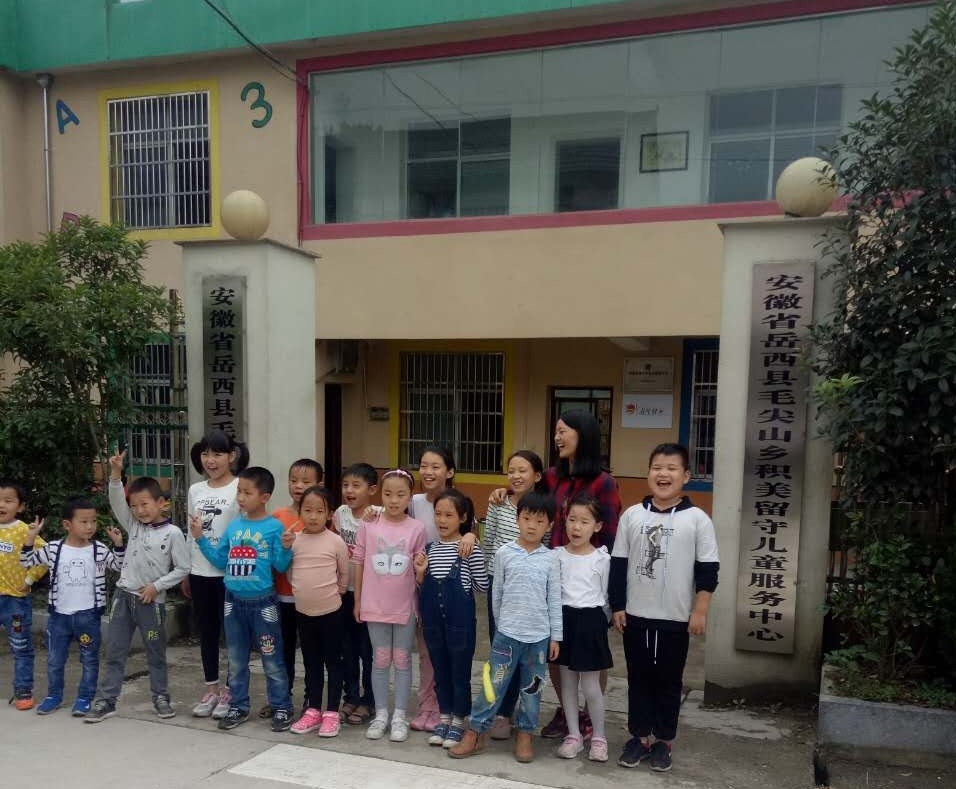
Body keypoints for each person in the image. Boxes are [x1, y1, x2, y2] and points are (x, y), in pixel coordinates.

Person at [491, 411, 622, 740]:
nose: (557, 438)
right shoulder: (552, 476)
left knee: (590, 657)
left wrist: (605, 590)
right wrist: (503, 492)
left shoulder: (604, 482)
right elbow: (529, 498)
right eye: (556, 432)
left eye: (563, 432)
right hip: (550, 577)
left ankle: (588, 716)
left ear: (583, 434)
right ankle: (566, 713)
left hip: (588, 582)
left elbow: (610, 536)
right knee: (556, 650)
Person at [610, 443, 719, 773]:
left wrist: (700, 610)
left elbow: (708, 570)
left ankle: (663, 740)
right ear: (648, 473)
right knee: (638, 679)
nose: (663, 474)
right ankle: (639, 737)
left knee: (669, 682)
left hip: (676, 619)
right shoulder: (632, 515)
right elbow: (618, 564)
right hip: (636, 616)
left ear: (685, 476)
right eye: (657, 467)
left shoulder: (697, 520)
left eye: (672, 468)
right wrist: (618, 605)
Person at [449, 491, 562, 764]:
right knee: (493, 686)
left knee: (532, 690)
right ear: (518, 519)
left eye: (540, 521)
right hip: (506, 637)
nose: (532, 526)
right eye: (527, 518)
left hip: (538, 639)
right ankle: (475, 732)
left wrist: (555, 637)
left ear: (550, 525)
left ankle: (525, 734)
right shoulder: (503, 553)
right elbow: (496, 595)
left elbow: (554, 600)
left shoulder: (551, 559)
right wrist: (501, 628)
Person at [86, 450, 190, 723]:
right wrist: (116, 472)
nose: (139, 510)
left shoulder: (173, 533)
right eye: (134, 506)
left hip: (150, 603)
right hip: (124, 598)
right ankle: (107, 700)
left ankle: (161, 697)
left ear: (161, 503)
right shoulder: (133, 525)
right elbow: (115, 499)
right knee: (115, 651)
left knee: (155, 653)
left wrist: (156, 586)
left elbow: (183, 568)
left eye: (145, 504)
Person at [191, 466, 294, 733]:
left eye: (247, 492)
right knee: (236, 660)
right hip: (233, 602)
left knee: (272, 658)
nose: (240, 497)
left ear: (265, 497)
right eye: (239, 491)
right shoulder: (234, 526)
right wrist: (200, 538)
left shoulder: (274, 527)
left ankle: (282, 707)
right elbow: (220, 560)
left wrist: (286, 548)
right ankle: (238, 705)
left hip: (264, 604)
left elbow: (281, 566)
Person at [20, 496, 125, 716]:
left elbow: (118, 566)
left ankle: (85, 698)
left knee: (89, 659)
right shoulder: (54, 548)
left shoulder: (98, 549)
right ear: (67, 524)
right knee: (55, 660)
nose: (90, 526)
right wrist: (30, 538)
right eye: (84, 522)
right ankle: (54, 696)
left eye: (93, 521)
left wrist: (118, 544)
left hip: (88, 616)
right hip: (59, 616)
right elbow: (26, 561)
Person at [352, 469, 426, 743]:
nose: (394, 500)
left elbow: (419, 570)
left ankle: (399, 716)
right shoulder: (369, 525)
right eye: (388, 494)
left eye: (401, 494)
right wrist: (358, 601)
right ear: (380, 495)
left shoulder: (416, 528)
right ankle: (381, 714)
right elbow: (359, 562)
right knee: (380, 659)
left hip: (405, 607)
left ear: (410, 497)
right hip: (374, 605)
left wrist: (421, 571)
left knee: (403, 660)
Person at [408, 446, 475, 732]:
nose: (428, 472)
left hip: (452, 590)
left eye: (435, 466)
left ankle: (445, 710)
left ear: (449, 472)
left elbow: (469, 538)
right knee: (427, 650)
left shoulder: (459, 502)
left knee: (451, 655)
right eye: (424, 465)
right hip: (419, 579)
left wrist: (472, 535)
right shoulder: (412, 502)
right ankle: (428, 705)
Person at [415, 489, 488, 749]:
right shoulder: (429, 549)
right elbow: (422, 587)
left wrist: (474, 547)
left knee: (460, 674)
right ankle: (444, 718)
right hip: (433, 624)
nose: (442, 520)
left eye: (449, 515)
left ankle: (459, 720)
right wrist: (420, 573)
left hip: (460, 626)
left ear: (463, 518)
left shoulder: (468, 548)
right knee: (440, 672)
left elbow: (482, 586)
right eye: (438, 514)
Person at [185, 429, 250, 719]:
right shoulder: (195, 491)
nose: (210, 460)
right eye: (205, 454)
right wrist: (187, 570)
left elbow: (247, 529)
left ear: (231, 456)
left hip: (231, 574)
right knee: (207, 633)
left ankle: (231, 691)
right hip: (200, 572)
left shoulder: (240, 487)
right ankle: (212, 689)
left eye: (217, 454)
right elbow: (191, 532)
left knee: (233, 636)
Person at [482, 449, 545, 741]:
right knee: (502, 650)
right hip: (499, 584)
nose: (516, 476)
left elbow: (546, 547)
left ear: (537, 476)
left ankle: (525, 714)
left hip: (530, 587)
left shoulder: (542, 508)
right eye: (511, 471)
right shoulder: (498, 503)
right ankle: (502, 712)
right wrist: (488, 580)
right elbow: (489, 543)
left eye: (523, 471)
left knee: (528, 653)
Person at [283, 486, 349, 737]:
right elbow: (290, 572)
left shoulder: (335, 541)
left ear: (329, 514)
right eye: (308, 510)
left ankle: (331, 712)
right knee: (311, 663)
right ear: (300, 512)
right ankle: (312, 710)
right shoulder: (295, 540)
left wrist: (336, 594)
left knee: (333, 662)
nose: (313, 516)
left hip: (331, 612)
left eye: (319, 511)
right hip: (303, 613)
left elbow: (344, 574)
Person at [553, 494, 613, 762]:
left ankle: (598, 737)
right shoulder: (556, 556)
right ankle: (574, 735)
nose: (576, 527)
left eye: (584, 521)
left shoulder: (602, 559)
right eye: (572, 520)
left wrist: (600, 624)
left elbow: (606, 598)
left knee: (590, 686)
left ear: (597, 526)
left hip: (591, 622)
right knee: (567, 683)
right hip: (563, 621)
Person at [265, 457, 323, 719]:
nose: (298, 486)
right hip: (282, 597)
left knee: (312, 652)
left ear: (319, 484)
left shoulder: (322, 518)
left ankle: (312, 700)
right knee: (282, 650)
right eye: (293, 480)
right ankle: (281, 697)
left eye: (306, 481)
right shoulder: (278, 517)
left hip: (311, 600)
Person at [333, 462, 379, 725]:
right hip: (343, 592)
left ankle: (369, 700)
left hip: (369, 594)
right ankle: (350, 697)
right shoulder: (340, 514)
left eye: (356, 486)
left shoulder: (378, 514)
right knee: (346, 649)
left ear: (371, 489)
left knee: (367, 650)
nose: (349, 491)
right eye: (345, 485)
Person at [0, 480, 49, 710]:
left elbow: (46, 556)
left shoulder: (24, 530)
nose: (1, 505)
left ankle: (23, 691)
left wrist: (29, 580)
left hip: (16, 602)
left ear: (20, 506)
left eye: (7, 500)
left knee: (20, 647)